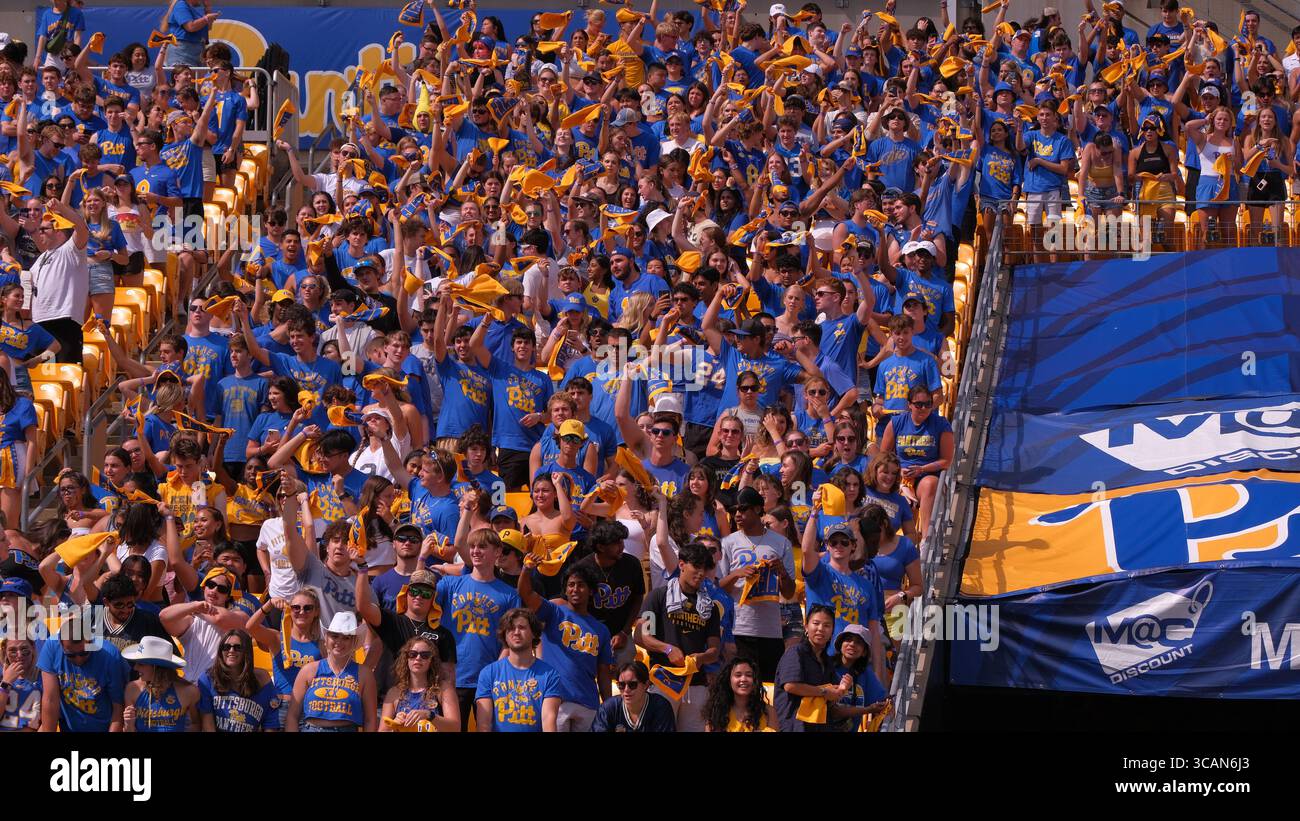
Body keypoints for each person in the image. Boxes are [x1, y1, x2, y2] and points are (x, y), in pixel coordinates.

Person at [435, 527, 521, 728]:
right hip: (452, 678)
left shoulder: (510, 595)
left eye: (482, 547)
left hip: (488, 678)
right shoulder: (449, 584)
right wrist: (422, 558)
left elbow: (510, 641)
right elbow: (419, 601)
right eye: (472, 546)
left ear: (497, 552)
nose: (475, 551)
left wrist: (494, 673)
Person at [516, 559, 612, 732]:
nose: (575, 589)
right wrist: (526, 569)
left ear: (591, 591)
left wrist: (608, 706)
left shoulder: (601, 630)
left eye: (581, 585)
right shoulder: (554, 612)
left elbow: (604, 672)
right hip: (556, 699)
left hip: (588, 703)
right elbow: (526, 593)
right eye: (571, 585)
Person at [635, 540, 721, 732]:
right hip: (663, 680)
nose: (700, 573)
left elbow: (715, 650)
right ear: (681, 564)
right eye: (696, 566)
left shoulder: (710, 606)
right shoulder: (658, 596)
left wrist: (703, 657)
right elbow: (640, 636)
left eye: (704, 568)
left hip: (696, 684)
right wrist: (666, 648)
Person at [717, 487, 795, 681]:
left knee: (769, 687)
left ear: (758, 510)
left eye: (743, 509)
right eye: (735, 510)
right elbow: (718, 587)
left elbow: (789, 591)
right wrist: (737, 573)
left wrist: (782, 572)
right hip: (738, 628)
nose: (737, 515)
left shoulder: (781, 543)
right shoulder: (728, 542)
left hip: (770, 630)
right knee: (741, 686)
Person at [287, 611, 378, 732]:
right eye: (334, 636)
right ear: (326, 638)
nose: (339, 642)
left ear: (354, 642)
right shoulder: (308, 670)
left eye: (346, 637)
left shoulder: (365, 674)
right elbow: (292, 715)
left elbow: (370, 719)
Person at [474, 607, 562, 732]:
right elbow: (484, 725)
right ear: (504, 634)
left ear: (533, 633)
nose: (516, 632)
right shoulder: (488, 673)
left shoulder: (550, 675)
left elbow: (548, 722)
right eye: (510, 628)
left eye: (522, 627)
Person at [38, 618, 130, 732]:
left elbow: (118, 707)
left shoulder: (110, 656)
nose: (78, 659)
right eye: (71, 655)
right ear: (60, 644)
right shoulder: (51, 647)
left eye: (84, 653)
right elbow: (50, 700)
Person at [773, 605, 853, 732]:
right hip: (794, 725)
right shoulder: (795, 652)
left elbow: (831, 697)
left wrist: (842, 689)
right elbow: (791, 686)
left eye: (827, 626)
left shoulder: (827, 661)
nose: (820, 629)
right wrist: (824, 692)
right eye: (816, 623)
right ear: (806, 627)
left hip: (820, 726)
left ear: (832, 632)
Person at [197, 629, 282, 732]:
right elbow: (208, 726)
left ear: (246, 651)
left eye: (238, 647)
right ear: (220, 651)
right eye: (226, 647)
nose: (231, 651)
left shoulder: (262, 680)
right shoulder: (207, 679)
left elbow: (270, 724)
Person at [379, 635, 460, 732]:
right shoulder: (394, 693)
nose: (418, 658)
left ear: (431, 660)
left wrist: (429, 715)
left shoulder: (443, 689)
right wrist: (395, 725)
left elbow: (455, 727)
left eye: (425, 655)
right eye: (413, 654)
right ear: (406, 658)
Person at [121, 636, 200, 732]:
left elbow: (196, 724)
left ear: (156, 667)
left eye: (141, 664)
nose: (135, 668)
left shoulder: (189, 691)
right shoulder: (132, 689)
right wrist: (128, 724)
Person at [591, 661, 677, 733]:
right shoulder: (609, 707)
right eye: (621, 685)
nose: (626, 690)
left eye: (632, 685)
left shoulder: (660, 707)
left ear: (646, 685)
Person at [703, 656, 778, 732]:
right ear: (729, 680)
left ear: (755, 680)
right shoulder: (717, 713)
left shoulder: (768, 712)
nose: (743, 679)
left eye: (749, 675)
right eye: (738, 675)